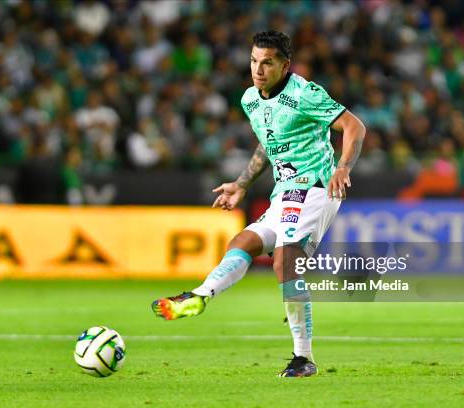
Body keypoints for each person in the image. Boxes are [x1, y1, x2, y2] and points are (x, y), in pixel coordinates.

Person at [152, 31, 366, 377]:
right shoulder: (251, 99)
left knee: (286, 260)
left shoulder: (305, 93)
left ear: (285, 65)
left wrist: (343, 168)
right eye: (254, 61)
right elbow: (269, 144)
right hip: (283, 192)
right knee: (243, 243)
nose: (258, 69)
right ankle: (199, 296)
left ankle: (303, 357)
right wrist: (241, 184)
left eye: (267, 62)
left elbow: (354, 126)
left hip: (315, 187)